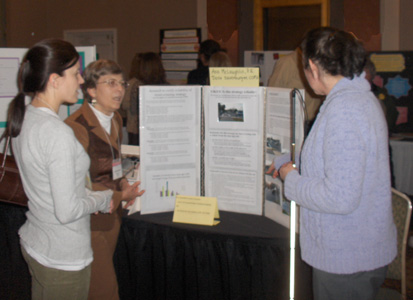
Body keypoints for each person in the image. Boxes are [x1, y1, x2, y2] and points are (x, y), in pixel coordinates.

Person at [270, 27, 397, 300]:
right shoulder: (355, 99)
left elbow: (339, 197)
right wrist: (291, 164)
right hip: (358, 250)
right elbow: (340, 165)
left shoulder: (345, 110)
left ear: (313, 67)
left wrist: (290, 179)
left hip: (347, 259)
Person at [7, 39, 113, 300]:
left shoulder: (26, 118)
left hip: (38, 242)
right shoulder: (57, 133)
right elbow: (67, 211)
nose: (80, 80)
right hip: (63, 256)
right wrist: (104, 197)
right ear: (54, 80)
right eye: (76, 73)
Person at [65, 59, 145, 300]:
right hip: (88, 221)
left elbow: (114, 164)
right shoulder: (76, 127)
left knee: (94, 285)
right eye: (110, 83)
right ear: (91, 90)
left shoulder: (115, 119)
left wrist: (123, 185)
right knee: (104, 291)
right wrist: (122, 195)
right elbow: (80, 185)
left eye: (121, 83)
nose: (120, 89)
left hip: (112, 216)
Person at [267, 48, 324, 124]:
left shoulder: (318, 62)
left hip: (315, 121)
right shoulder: (287, 62)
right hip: (292, 123)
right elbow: (271, 94)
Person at [122, 52, 168, 145]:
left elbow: (125, 105)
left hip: (136, 131)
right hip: (160, 131)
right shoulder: (165, 85)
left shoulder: (133, 84)